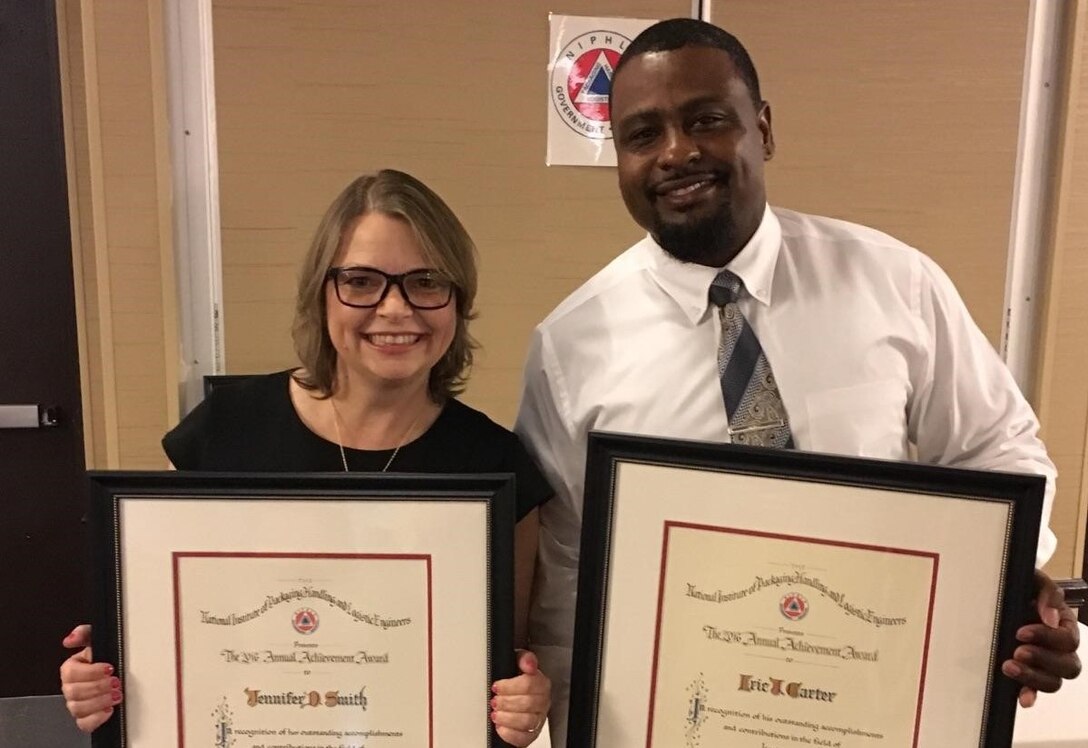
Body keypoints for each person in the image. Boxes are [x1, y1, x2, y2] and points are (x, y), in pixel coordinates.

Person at [515, 18, 1082, 746]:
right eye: (642, 135)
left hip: (880, 699)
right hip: (683, 718)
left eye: (707, 120)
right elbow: (566, 579)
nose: (677, 152)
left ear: (764, 128)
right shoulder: (570, 346)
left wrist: (1011, 592)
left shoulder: (895, 283)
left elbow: (999, 447)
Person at [59, 169, 552, 746]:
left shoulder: (497, 466)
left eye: (426, 280)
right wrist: (110, 665)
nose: (395, 309)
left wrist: (523, 701)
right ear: (322, 292)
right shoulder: (223, 431)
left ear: (457, 300)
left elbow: (504, 657)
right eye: (362, 281)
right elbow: (163, 620)